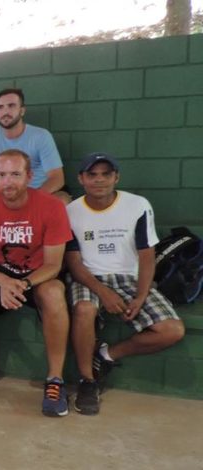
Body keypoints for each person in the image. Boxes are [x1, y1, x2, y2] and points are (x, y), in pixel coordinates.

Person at [65, 153, 185, 415]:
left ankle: (106, 355)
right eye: (92, 174)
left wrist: (140, 297)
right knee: (84, 309)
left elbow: (147, 256)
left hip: (129, 278)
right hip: (89, 277)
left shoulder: (137, 205)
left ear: (116, 177)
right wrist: (103, 292)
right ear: (81, 179)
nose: (99, 180)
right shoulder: (70, 211)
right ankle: (87, 381)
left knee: (172, 330)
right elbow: (74, 263)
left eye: (106, 174)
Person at [0, 149, 72, 417]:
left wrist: (22, 284)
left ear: (29, 176)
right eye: (2, 175)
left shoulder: (52, 206)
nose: (8, 181)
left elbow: (53, 265)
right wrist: (5, 282)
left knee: (55, 292)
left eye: (15, 174)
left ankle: (55, 380)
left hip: (37, 278)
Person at [0, 88, 69, 205]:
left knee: (62, 199)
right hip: (8, 195)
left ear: (22, 111)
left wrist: (29, 202)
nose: (5, 111)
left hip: (39, 194)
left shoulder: (41, 136)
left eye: (11, 106)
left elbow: (57, 178)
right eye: (0, 107)